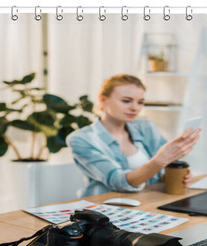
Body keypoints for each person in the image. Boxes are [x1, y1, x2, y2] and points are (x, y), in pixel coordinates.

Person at [66, 74, 200, 196]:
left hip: (148, 202)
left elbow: (162, 170)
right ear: (102, 100)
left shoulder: (146, 126)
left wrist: (173, 175)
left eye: (140, 102)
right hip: (104, 210)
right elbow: (117, 181)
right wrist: (160, 160)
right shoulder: (81, 139)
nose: (135, 108)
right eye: (126, 101)